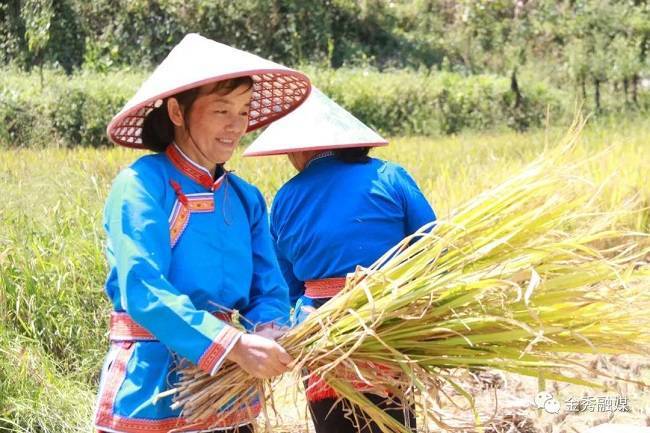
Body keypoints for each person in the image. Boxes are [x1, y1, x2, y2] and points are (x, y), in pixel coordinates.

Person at [94, 33, 312, 433]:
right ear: (177, 111)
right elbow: (143, 288)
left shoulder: (244, 198)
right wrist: (233, 345)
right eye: (221, 110)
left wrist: (269, 328)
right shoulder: (142, 185)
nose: (236, 126)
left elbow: (269, 289)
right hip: (154, 387)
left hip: (229, 392)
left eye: (244, 111)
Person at [244, 88, 436, 433]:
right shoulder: (390, 176)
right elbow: (432, 245)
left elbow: (286, 283)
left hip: (321, 332)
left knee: (335, 424)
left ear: (300, 149)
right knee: (392, 422)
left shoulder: (286, 198)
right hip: (386, 321)